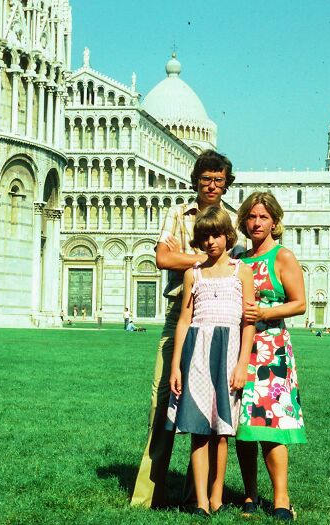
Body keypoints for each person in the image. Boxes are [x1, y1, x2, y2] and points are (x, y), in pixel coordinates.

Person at [131, 150, 237, 508]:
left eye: (218, 180)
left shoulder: (232, 218)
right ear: (196, 180)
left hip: (220, 318)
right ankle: (146, 497)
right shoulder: (178, 213)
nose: (212, 185)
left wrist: (188, 257)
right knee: (161, 402)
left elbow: (234, 268)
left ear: (226, 184)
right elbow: (162, 257)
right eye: (206, 178)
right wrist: (208, 260)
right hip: (180, 312)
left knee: (207, 410)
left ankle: (199, 497)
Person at [166, 206, 256, 517]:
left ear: (229, 236)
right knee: (198, 429)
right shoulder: (194, 274)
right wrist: (176, 364)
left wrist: (243, 364)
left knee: (222, 431)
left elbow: (248, 321)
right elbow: (184, 320)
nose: (211, 242)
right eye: (205, 237)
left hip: (229, 353)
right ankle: (200, 501)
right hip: (197, 352)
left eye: (216, 235)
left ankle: (217, 496)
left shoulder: (240, 271)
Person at [235, 192, 307, 522]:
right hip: (239, 348)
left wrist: (267, 310)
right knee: (243, 425)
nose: (257, 222)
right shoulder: (238, 259)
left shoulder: (283, 257)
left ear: (274, 222)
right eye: (251, 216)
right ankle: (249, 495)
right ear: (243, 222)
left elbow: (299, 303)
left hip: (271, 349)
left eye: (263, 217)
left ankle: (281, 497)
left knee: (272, 424)